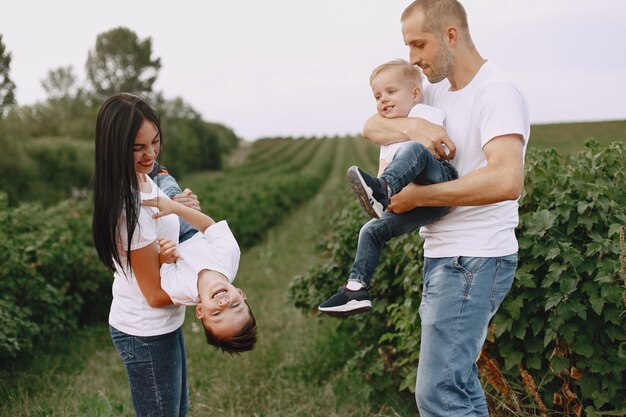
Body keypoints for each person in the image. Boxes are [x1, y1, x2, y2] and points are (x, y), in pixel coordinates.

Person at [362, 1, 530, 415]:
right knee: (459, 384)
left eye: (419, 44)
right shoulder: (434, 89)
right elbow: (370, 126)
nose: (412, 58)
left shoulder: (497, 91)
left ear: (451, 35)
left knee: (437, 393)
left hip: (474, 256)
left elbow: (507, 180)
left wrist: (419, 198)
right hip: (445, 255)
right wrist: (415, 126)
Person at [318, 59, 457, 316]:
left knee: (413, 148)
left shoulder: (423, 115)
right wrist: (384, 196)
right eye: (378, 96)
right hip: (423, 205)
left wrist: (387, 185)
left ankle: (384, 190)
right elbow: (384, 164)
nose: (383, 100)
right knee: (371, 231)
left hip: (438, 179)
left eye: (391, 92)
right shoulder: (390, 134)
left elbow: (424, 153)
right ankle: (356, 289)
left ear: (415, 93)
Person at [92, 92, 190, 416]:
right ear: (116, 148)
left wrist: (179, 207)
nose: (150, 154)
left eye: (155, 141)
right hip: (146, 332)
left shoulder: (142, 178)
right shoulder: (127, 208)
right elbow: (156, 295)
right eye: (138, 147)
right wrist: (207, 291)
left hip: (163, 326)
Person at [141, 194, 258, 354]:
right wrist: (176, 208)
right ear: (240, 294)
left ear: (200, 311)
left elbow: (165, 267)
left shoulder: (179, 291)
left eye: (217, 313)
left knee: (144, 206)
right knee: (170, 193)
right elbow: (208, 226)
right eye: (235, 305)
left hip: (167, 237)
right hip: (191, 227)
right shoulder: (229, 255)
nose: (224, 304)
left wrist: (166, 256)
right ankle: (161, 175)